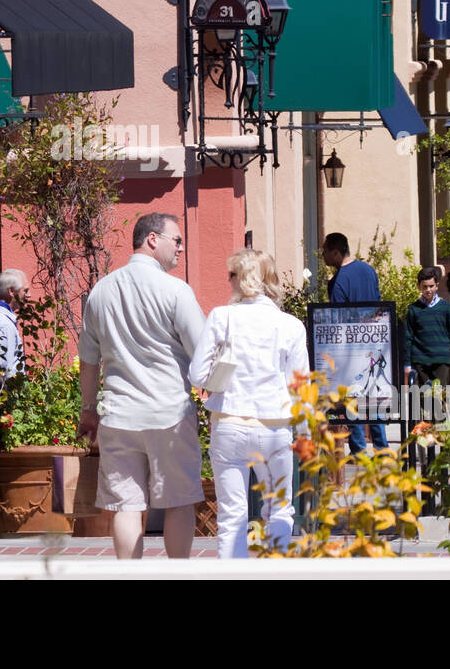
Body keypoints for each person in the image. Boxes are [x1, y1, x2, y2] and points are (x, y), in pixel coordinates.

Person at [77, 212, 207, 559]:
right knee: (179, 500)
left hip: (119, 414)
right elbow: (202, 352)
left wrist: (88, 410)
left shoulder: (101, 290)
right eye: (176, 240)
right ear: (152, 239)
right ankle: (176, 572)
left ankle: (129, 574)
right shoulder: (175, 290)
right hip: (170, 413)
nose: (181, 248)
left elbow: (89, 361)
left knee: (126, 506)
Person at [189, 249, 308, 559]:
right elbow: (300, 387)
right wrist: (306, 433)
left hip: (229, 422)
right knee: (280, 510)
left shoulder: (221, 317)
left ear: (241, 280)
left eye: (231, 276)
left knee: (232, 516)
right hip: (274, 426)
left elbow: (196, 373)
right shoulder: (291, 325)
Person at [321, 232, 387, 454]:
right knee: (373, 398)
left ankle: (359, 450)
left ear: (336, 252)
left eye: (325, 251)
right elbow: (378, 304)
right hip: (373, 343)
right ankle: (382, 448)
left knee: (351, 400)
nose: (323, 256)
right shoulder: (369, 270)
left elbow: (339, 320)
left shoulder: (339, 281)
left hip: (350, 349)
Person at [406, 267, 450, 388]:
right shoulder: (413, 309)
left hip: (442, 359)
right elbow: (408, 337)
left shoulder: (446, 308)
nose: (428, 290)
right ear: (419, 287)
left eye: (431, 286)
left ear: (437, 285)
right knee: (425, 399)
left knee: (442, 396)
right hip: (420, 361)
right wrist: (407, 364)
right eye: (424, 287)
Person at [0, 269, 28, 377]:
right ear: (11, 291)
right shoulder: (4, 325)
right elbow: (5, 372)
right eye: (25, 291)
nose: (29, 295)